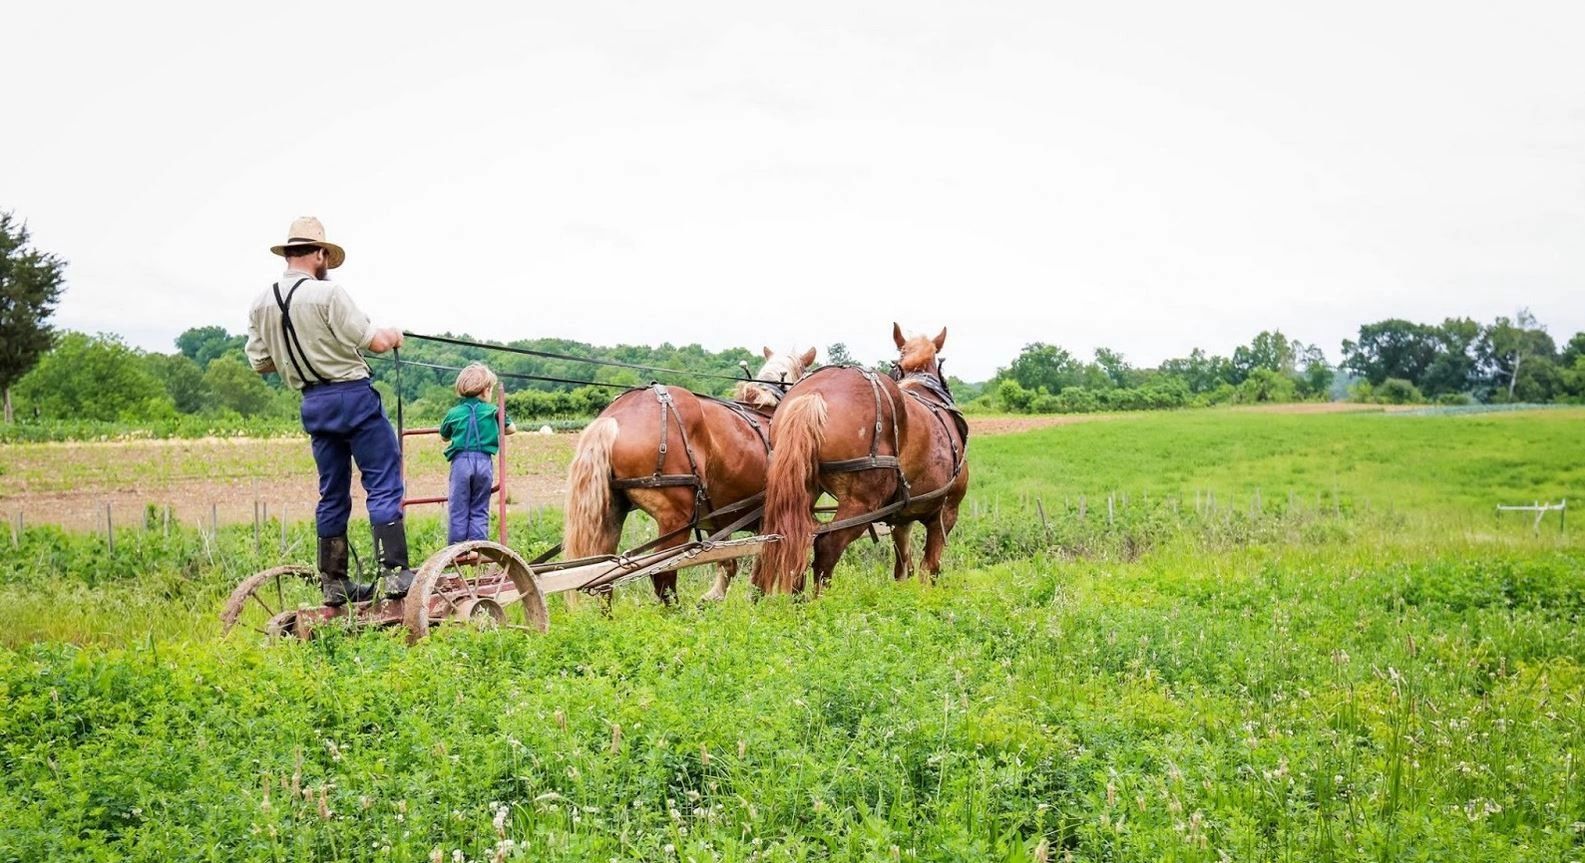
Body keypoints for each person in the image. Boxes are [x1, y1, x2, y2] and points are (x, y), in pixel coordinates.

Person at [243, 216, 416, 606]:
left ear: (288, 253)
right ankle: (395, 574)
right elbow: (374, 341)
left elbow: (260, 362)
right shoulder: (329, 295)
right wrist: (395, 335)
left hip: (313, 403)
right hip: (352, 395)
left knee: (332, 493)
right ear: (319, 254)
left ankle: (334, 582)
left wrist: (297, 351)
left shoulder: (260, 303)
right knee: (383, 481)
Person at [440, 363, 516, 543]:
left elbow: (444, 436)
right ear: (485, 390)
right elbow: (511, 429)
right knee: (480, 507)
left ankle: (456, 550)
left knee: (458, 508)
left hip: (460, 463)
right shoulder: (493, 411)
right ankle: (477, 549)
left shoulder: (454, 413)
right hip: (483, 462)